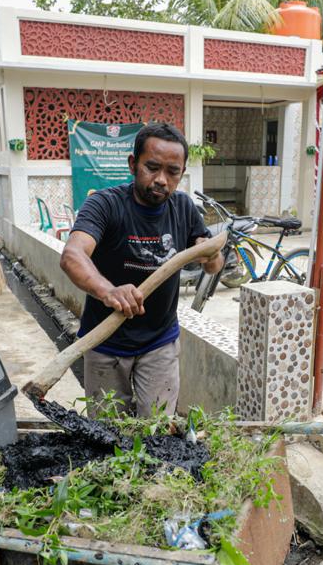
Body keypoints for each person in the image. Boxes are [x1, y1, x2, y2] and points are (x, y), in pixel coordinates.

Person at [61, 123, 224, 417]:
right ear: (132, 164)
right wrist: (108, 290)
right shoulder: (105, 204)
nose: (161, 179)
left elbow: (214, 266)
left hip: (159, 342)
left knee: (158, 429)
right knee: (107, 433)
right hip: (104, 341)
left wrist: (209, 253)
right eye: (152, 167)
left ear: (182, 173)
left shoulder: (184, 208)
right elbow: (72, 255)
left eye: (173, 172)